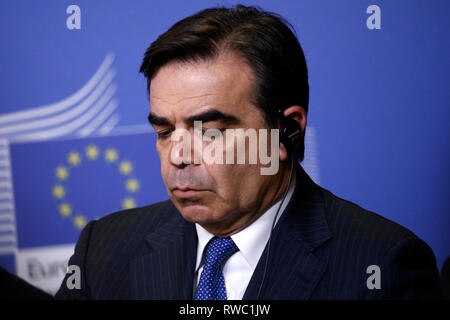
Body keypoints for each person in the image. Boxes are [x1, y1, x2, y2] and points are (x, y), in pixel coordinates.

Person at [55, 5, 441, 300]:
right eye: (165, 130)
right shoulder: (103, 249)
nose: (178, 156)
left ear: (286, 131)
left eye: (210, 132)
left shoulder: (382, 265)